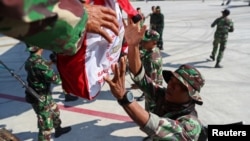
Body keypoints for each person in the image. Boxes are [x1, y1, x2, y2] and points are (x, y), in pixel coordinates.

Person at [104, 18, 205, 141]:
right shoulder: (163, 96)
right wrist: (133, 45)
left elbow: (157, 127)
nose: (170, 86)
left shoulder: (191, 125)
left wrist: (124, 97)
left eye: (178, 85)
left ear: (191, 94)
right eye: (171, 81)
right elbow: (140, 77)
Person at [24, 46, 71, 141]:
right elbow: (56, 80)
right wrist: (66, 73)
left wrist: (49, 63)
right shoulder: (39, 64)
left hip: (44, 95)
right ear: (39, 48)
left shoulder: (30, 60)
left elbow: (40, 68)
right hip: (40, 98)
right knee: (45, 127)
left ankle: (58, 129)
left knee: (55, 111)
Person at [134, 29, 163, 104]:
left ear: (154, 42)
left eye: (146, 42)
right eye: (142, 40)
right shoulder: (154, 49)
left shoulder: (152, 60)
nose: (142, 43)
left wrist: (139, 85)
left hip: (154, 92)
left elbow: (151, 81)